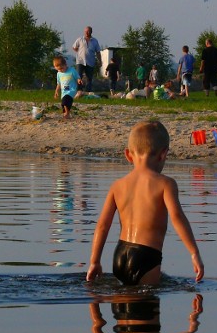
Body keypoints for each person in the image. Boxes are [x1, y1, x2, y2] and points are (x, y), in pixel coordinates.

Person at [85, 120, 204, 285]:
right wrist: (194, 253)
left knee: (122, 306)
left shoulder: (117, 185)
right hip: (147, 256)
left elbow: (102, 226)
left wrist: (95, 261)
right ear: (163, 154)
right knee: (148, 305)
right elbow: (177, 218)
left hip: (119, 255)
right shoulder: (165, 184)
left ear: (128, 155)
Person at [72, 26, 101, 92]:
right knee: (79, 76)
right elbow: (74, 46)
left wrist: (100, 61)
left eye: (88, 31)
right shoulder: (80, 39)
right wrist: (79, 51)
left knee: (89, 77)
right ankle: (79, 90)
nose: (86, 33)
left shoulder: (95, 41)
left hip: (90, 61)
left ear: (91, 32)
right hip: (80, 61)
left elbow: (98, 52)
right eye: (85, 31)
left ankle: (88, 91)